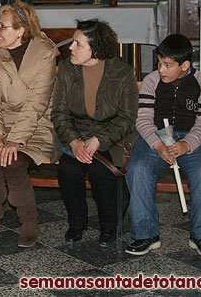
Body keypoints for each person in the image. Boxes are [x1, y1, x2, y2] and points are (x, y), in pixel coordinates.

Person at [126, 34, 201, 257]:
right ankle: (145, 233)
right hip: (156, 136)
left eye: (168, 65)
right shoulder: (151, 81)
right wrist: (158, 145)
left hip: (192, 137)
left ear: (185, 65)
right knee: (138, 170)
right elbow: (143, 119)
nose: (161, 69)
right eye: (159, 63)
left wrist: (187, 144)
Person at [0, 1, 59, 248]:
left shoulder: (45, 53)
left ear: (21, 30)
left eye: (2, 27)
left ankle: (29, 221)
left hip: (36, 125)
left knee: (11, 160)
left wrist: (15, 140)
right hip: (1, 122)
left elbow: (37, 104)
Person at [52, 19, 138, 246]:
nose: (71, 47)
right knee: (69, 170)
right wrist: (73, 141)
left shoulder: (122, 72)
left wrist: (100, 139)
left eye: (78, 44)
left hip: (112, 135)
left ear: (96, 49)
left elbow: (128, 117)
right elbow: (59, 112)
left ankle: (109, 226)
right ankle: (76, 224)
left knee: (102, 171)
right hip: (76, 133)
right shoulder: (67, 69)